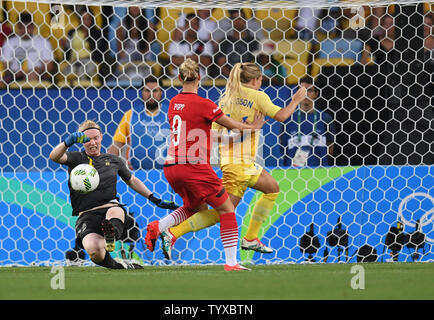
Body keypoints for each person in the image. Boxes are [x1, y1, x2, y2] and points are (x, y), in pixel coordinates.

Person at [146, 61, 307, 261]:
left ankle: (250, 237)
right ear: (257, 80)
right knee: (223, 210)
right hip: (238, 165)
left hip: (235, 162)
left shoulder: (226, 99)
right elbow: (282, 116)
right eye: (260, 79)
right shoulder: (258, 96)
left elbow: (214, 136)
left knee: (272, 188)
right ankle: (173, 233)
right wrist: (296, 100)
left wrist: (236, 135)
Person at [49, 120, 179, 269]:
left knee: (115, 211)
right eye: (87, 139)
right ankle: (121, 266)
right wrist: (67, 142)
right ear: (81, 141)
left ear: (101, 137)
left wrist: (154, 198)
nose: (92, 143)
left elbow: (132, 181)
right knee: (94, 251)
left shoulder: (113, 160)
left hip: (110, 207)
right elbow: (54, 157)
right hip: (86, 215)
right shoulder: (76, 158)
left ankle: (110, 235)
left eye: (95, 138)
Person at [108, 76, 169, 170]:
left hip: (168, 174)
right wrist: (106, 167)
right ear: (141, 92)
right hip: (136, 174)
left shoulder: (171, 114)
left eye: (155, 91)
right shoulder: (130, 115)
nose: (151, 94)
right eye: (147, 91)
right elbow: (116, 146)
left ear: (161, 92)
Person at [281, 76, 335, 167]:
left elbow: (330, 147)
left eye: (309, 90)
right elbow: (283, 147)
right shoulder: (287, 119)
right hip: (293, 173)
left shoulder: (326, 118)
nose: (306, 94)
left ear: (316, 93)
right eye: (302, 91)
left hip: (320, 172)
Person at [0, 12, 55, 83]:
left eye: (28, 27)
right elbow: (4, 65)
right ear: (17, 26)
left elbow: (49, 66)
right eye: (21, 28)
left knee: (31, 75)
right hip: (15, 77)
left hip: (38, 76)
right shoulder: (9, 42)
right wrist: (14, 72)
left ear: (33, 26)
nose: (25, 31)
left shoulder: (43, 42)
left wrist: (40, 70)